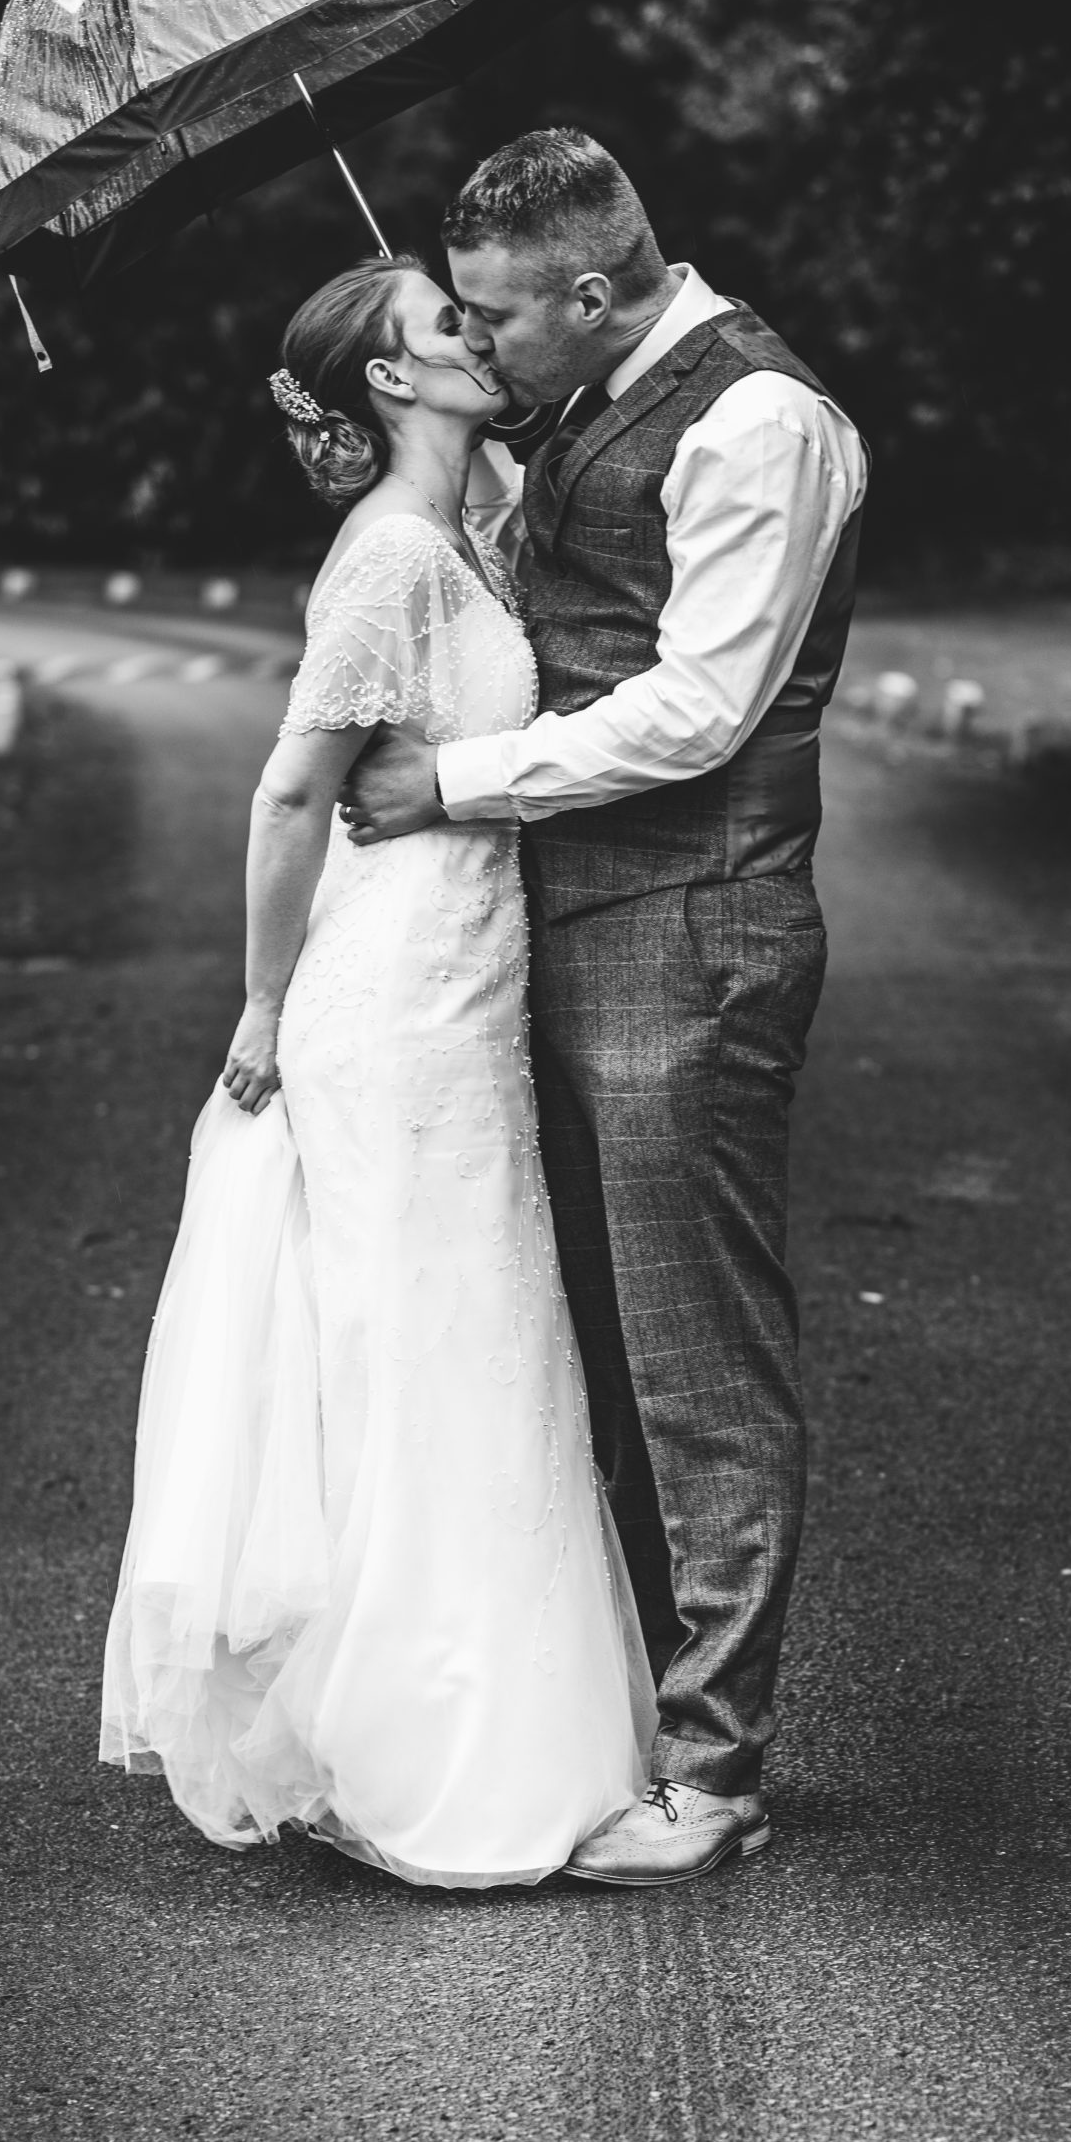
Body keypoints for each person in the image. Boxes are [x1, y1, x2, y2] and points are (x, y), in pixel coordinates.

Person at [342, 130, 868, 1886]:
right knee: (585, 1348)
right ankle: (635, 1715)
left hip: (694, 926)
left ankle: (715, 1776)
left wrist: (455, 782)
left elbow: (699, 710)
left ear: (594, 288)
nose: (482, 349)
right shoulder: (574, 404)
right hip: (560, 933)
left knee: (697, 1362)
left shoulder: (757, 423)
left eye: (501, 318)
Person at [99, 251, 655, 1888]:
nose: (479, 339)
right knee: (429, 1342)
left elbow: (508, 486)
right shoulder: (392, 562)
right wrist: (262, 1007)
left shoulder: (462, 523)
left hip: (466, 981)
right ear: (387, 383)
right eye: (442, 328)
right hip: (394, 993)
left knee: (479, 1328)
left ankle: (472, 1719)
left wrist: (481, 421)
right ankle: (442, 1757)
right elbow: (290, 794)